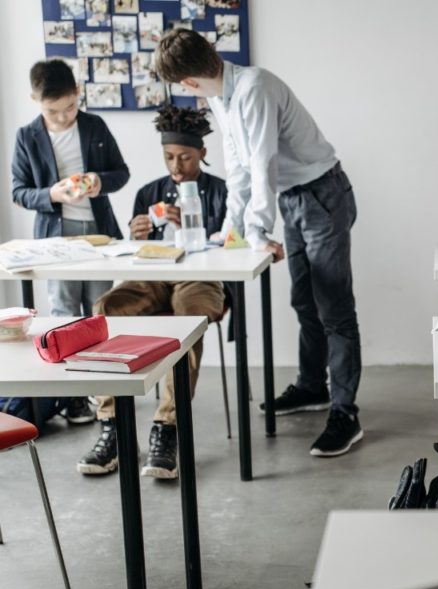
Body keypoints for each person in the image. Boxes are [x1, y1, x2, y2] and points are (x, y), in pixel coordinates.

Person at [153, 29, 363, 457]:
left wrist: (257, 231)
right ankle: (312, 387)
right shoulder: (220, 96)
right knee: (304, 300)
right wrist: (232, 230)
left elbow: (262, 161)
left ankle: (346, 413)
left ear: (187, 82)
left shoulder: (255, 87)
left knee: (334, 308)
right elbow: (239, 169)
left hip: (321, 194)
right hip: (293, 198)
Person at [77, 105, 227, 478]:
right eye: (169, 157)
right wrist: (138, 233)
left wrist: (200, 228)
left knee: (188, 322)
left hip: (201, 277)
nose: (176, 166)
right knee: (106, 308)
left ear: (202, 154)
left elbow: (234, 243)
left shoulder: (222, 191)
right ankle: (112, 424)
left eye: (185, 157)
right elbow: (133, 254)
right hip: (153, 274)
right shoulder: (149, 192)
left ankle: (168, 428)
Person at [11, 58, 130, 425]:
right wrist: (52, 194)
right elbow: (19, 191)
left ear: (78, 93)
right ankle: (73, 398)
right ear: (35, 99)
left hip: (97, 235)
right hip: (54, 239)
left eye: (69, 107)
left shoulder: (95, 125)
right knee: (63, 314)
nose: (63, 117)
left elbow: (121, 173)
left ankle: (101, 394)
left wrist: (98, 181)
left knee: (98, 312)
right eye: (53, 110)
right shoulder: (26, 136)